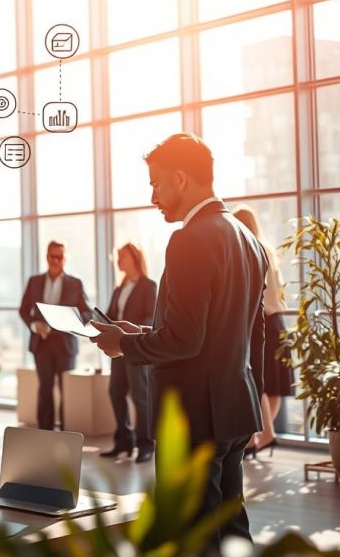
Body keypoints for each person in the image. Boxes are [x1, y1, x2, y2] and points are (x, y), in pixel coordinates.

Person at [90, 133, 265, 550]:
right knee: (231, 529)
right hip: (234, 407)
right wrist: (139, 334)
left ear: (182, 179)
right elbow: (245, 334)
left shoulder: (190, 239)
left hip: (194, 417)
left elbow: (187, 339)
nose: (153, 195)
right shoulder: (248, 240)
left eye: (156, 183)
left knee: (195, 535)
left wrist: (126, 347)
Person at [232, 205, 293, 458]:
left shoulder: (250, 249)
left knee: (260, 381)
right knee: (273, 384)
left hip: (263, 322)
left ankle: (262, 436)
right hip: (278, 321)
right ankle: (264, 435)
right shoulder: (267, 248)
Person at [18, 240, 92, 431]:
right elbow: (24, 310)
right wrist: (34, 325)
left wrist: (69, 321)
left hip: (65, 345)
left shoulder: (75, 283)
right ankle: (45, 432)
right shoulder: (34, 281)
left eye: (60, 257)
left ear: (65, 259)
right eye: (53, 256)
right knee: (44, 389)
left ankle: (67, 433)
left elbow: (87, 312)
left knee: (66, 391)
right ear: (47, 256)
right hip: (41, 344)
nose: (56, 260)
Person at [100, 242, 158, 463]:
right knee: (115, 392)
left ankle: (146, 445)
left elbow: (150, 318)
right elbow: (110, 313)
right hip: (118, 349)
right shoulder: (119, 287)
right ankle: (124, 441)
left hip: (135, 348)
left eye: (122, 256)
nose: (119, 261)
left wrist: (125, 329)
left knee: (140, 397)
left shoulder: (148, 285)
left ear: (134, 258)